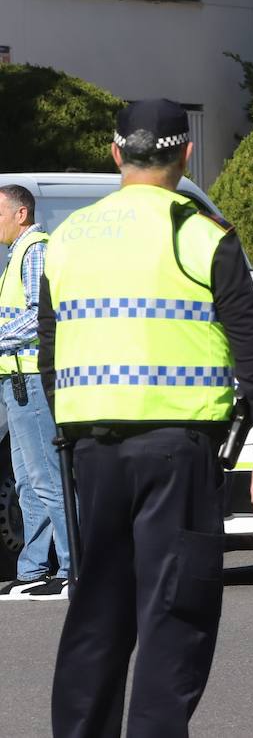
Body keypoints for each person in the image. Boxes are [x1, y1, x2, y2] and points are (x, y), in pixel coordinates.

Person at [40, 99, 253, 736]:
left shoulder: (68, 236)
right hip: (179, 448)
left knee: (96, 612)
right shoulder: (202, 234)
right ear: (187, 155)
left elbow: (49, 348)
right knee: (175, 610)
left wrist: (71, 419)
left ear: (115, 153)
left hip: (91, 449)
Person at [0, 184, 69, 601]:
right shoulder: (17, 254)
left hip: (31, 380)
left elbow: (40, 314)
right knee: (28, 481)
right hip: (15, 381)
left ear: (21, 213)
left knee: (48, 479)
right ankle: (34, 569)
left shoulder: (34, 250)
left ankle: (72, 567)